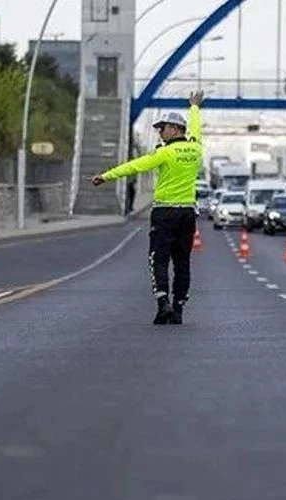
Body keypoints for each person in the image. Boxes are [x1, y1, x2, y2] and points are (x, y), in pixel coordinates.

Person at [92, 91, 205, 325]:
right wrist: (194, 107)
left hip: (164, 213)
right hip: (187, 214)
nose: (160, 132)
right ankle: (179, 307)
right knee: (182, 261)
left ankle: (163, 302)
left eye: (162, 128)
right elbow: (196, 129)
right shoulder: (196, 149)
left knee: (159, 259)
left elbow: (135, 166)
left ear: (174, 129)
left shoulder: (164, 153)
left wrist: (106, 176)